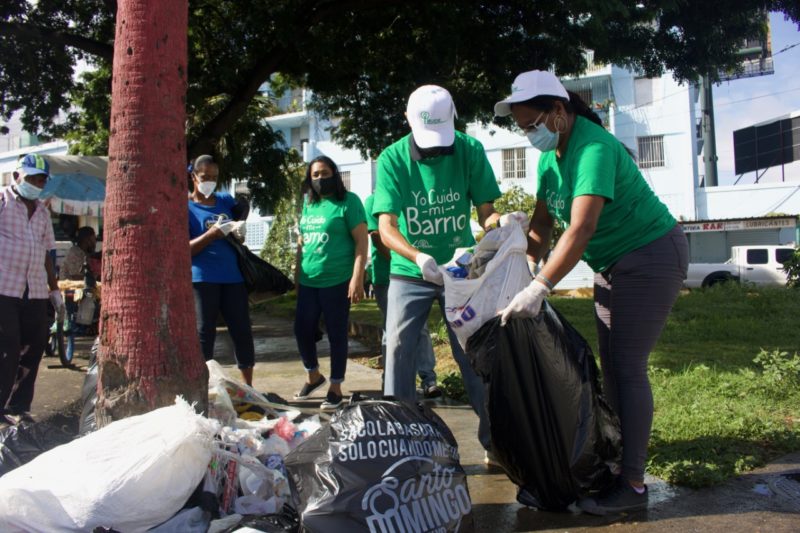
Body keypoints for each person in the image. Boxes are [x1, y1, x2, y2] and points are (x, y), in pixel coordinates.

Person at [494, 70, 689, 514]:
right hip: (612, 265)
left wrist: (541, 286)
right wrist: (522, 263)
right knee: (612, 369)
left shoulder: (594, 148)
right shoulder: (550, 159)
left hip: (650, 254)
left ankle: (633, 484)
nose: (529, 135)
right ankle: (618, 465)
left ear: (559, 112)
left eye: (532, 125)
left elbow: (580, 227)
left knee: (627, 368)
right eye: (522, 128)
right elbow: (543, 226)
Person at [372, 85, 524, 463]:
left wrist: (498, 222)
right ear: (408, 122)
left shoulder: (469, 150)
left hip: (460, 269)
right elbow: (386, 227)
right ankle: (399, 442)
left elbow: (484, 211)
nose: (435, 150)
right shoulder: (392, 159)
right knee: (398, 350)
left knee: (474, 353)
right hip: (411, 271)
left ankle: (497, 443)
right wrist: (416, 254)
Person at [293, 155, 368, 410]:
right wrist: (296, 275)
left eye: (325, 173)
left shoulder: (349, 202)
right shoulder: (308, 204)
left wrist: (357, 277)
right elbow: (303, 242)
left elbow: (361, 241)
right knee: (302, 329)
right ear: (309, 178)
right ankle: (313, 376)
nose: (320, 179)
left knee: (337, 334)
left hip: (337, 280)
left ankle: (335, 387)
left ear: (334, 174)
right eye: (315, 175)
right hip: (309, 280)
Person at [0, 154, 65, 426]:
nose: (36, 183)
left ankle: (19, 406)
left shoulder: (42, 211)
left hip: (35, 290)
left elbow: (47, 253)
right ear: (17, 177)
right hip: (5, 287)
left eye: (41, 179)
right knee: (8, 347)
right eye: (31, 178)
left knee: (35, 345)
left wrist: (54, 289)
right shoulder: (3, 201)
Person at [364, 193, 441, 399]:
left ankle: (428, 379)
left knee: (421, 329)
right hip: (386, 277)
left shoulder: (413, 194)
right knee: (394, 332)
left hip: (416, 272)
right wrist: (404, 259)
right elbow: (379, 238)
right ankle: (392, 384)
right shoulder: (373, 202)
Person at [187, 154, 254, 385]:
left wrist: (239, 229)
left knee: (242, 331)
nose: (210, 182)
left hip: (233, 277)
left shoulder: (225, 200)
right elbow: (183, 250)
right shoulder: (185, 208)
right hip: (202, 279)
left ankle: (248, 387)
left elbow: (241, 216)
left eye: (214, 177)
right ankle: (203, 386)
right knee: (205, 333)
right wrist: (211, 235)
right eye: (205, 177)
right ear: (193, 176)